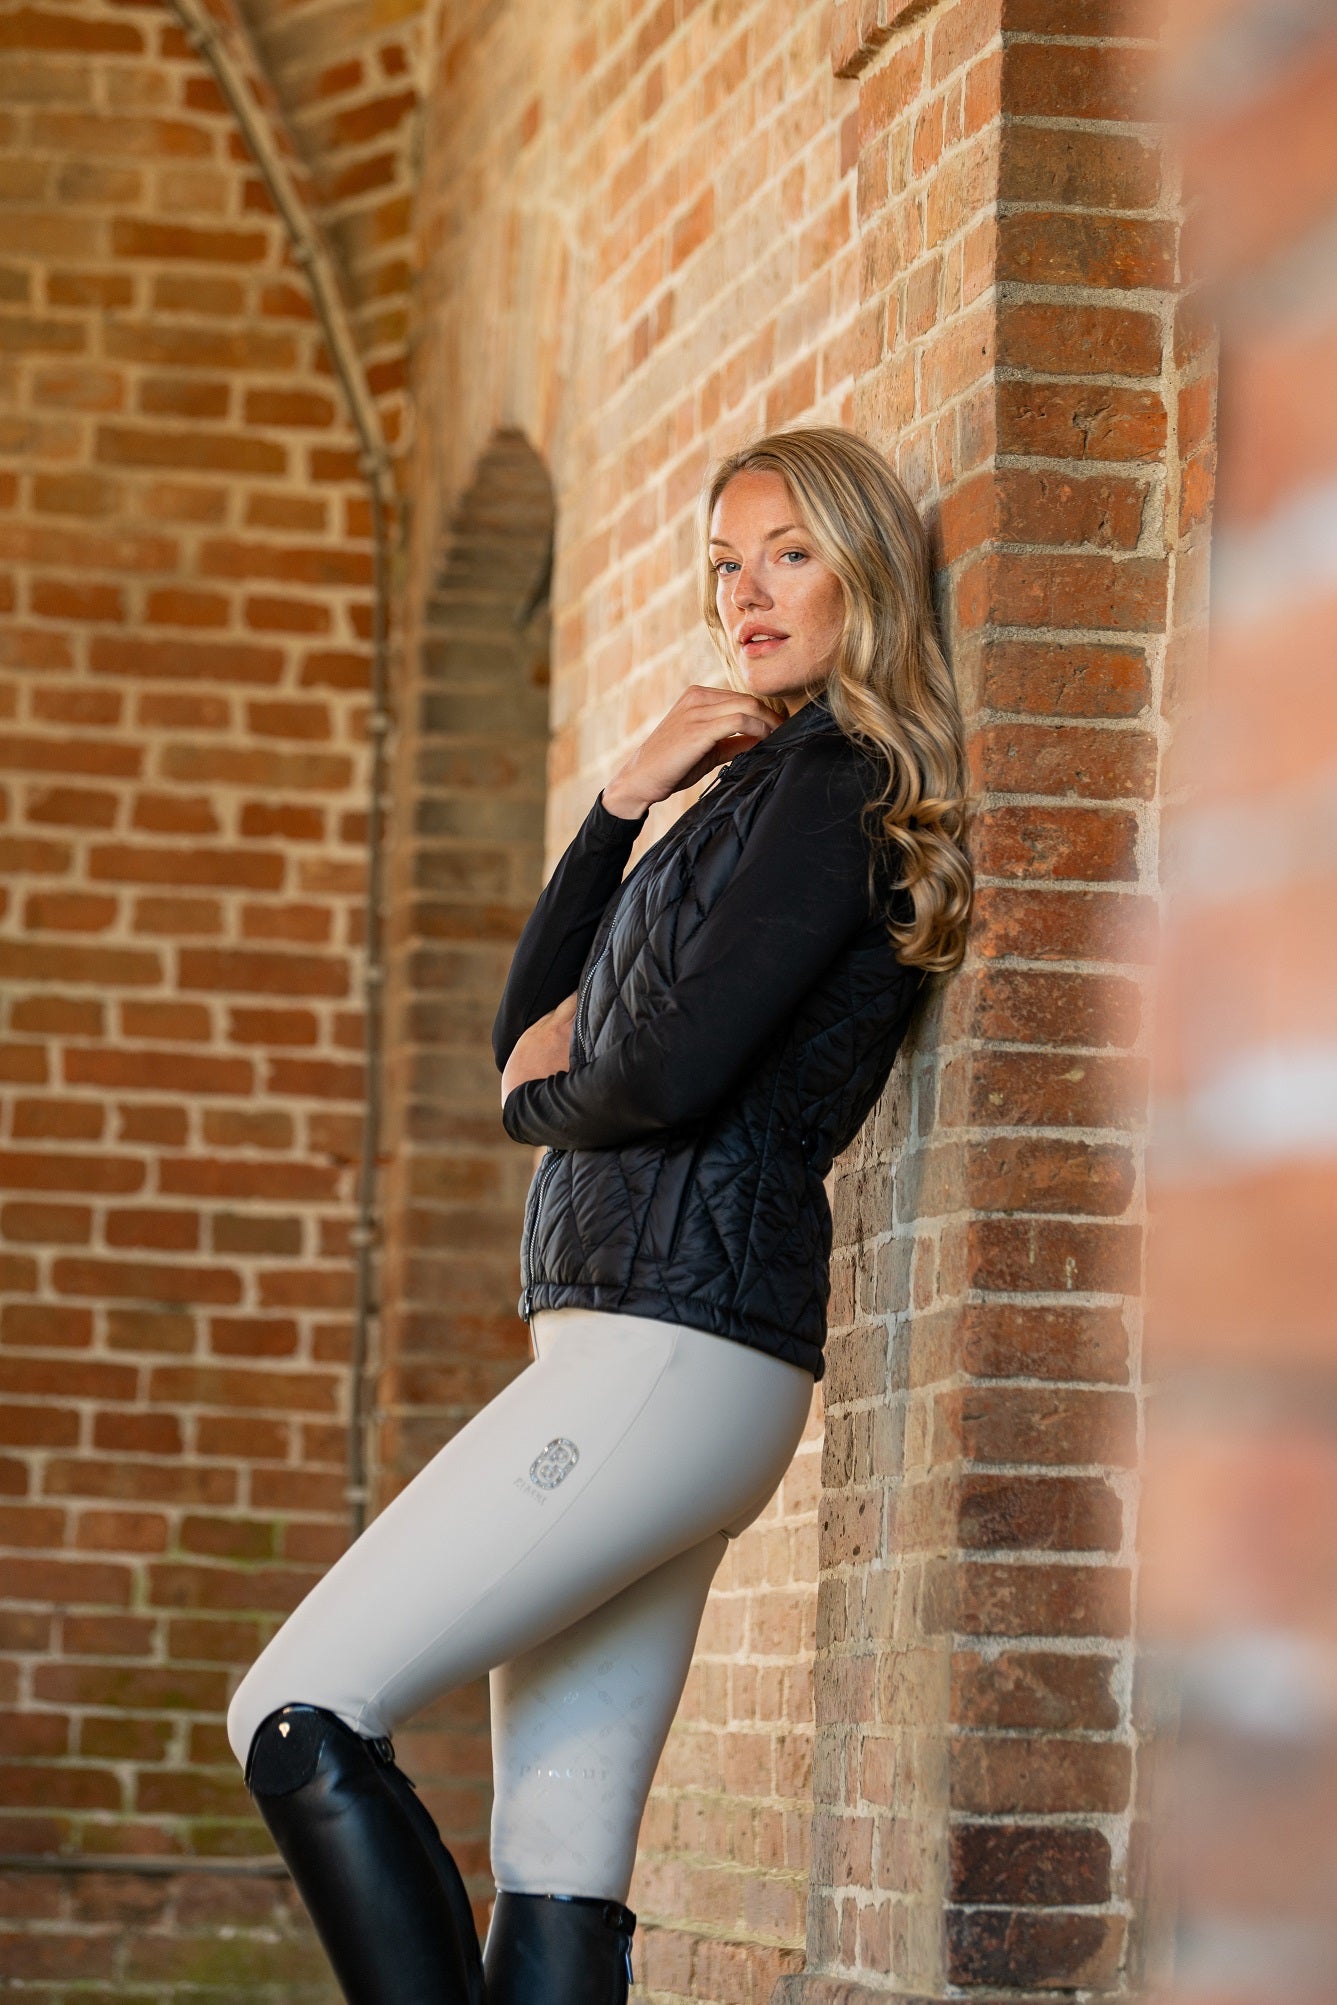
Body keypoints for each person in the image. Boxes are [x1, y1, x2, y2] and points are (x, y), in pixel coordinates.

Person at [224, 425, 973, 2005]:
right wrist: (622, 799)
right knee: (556, 1861)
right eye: (725, 562)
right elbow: (530, 1018)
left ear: (861, 569)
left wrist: (534, 1105)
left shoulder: (835, 781)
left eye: (787, 554)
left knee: (298, 1708)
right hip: (654, 1353)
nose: (747, 592)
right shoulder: (746, 789)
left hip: (665, 1351)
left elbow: (662, 1068)